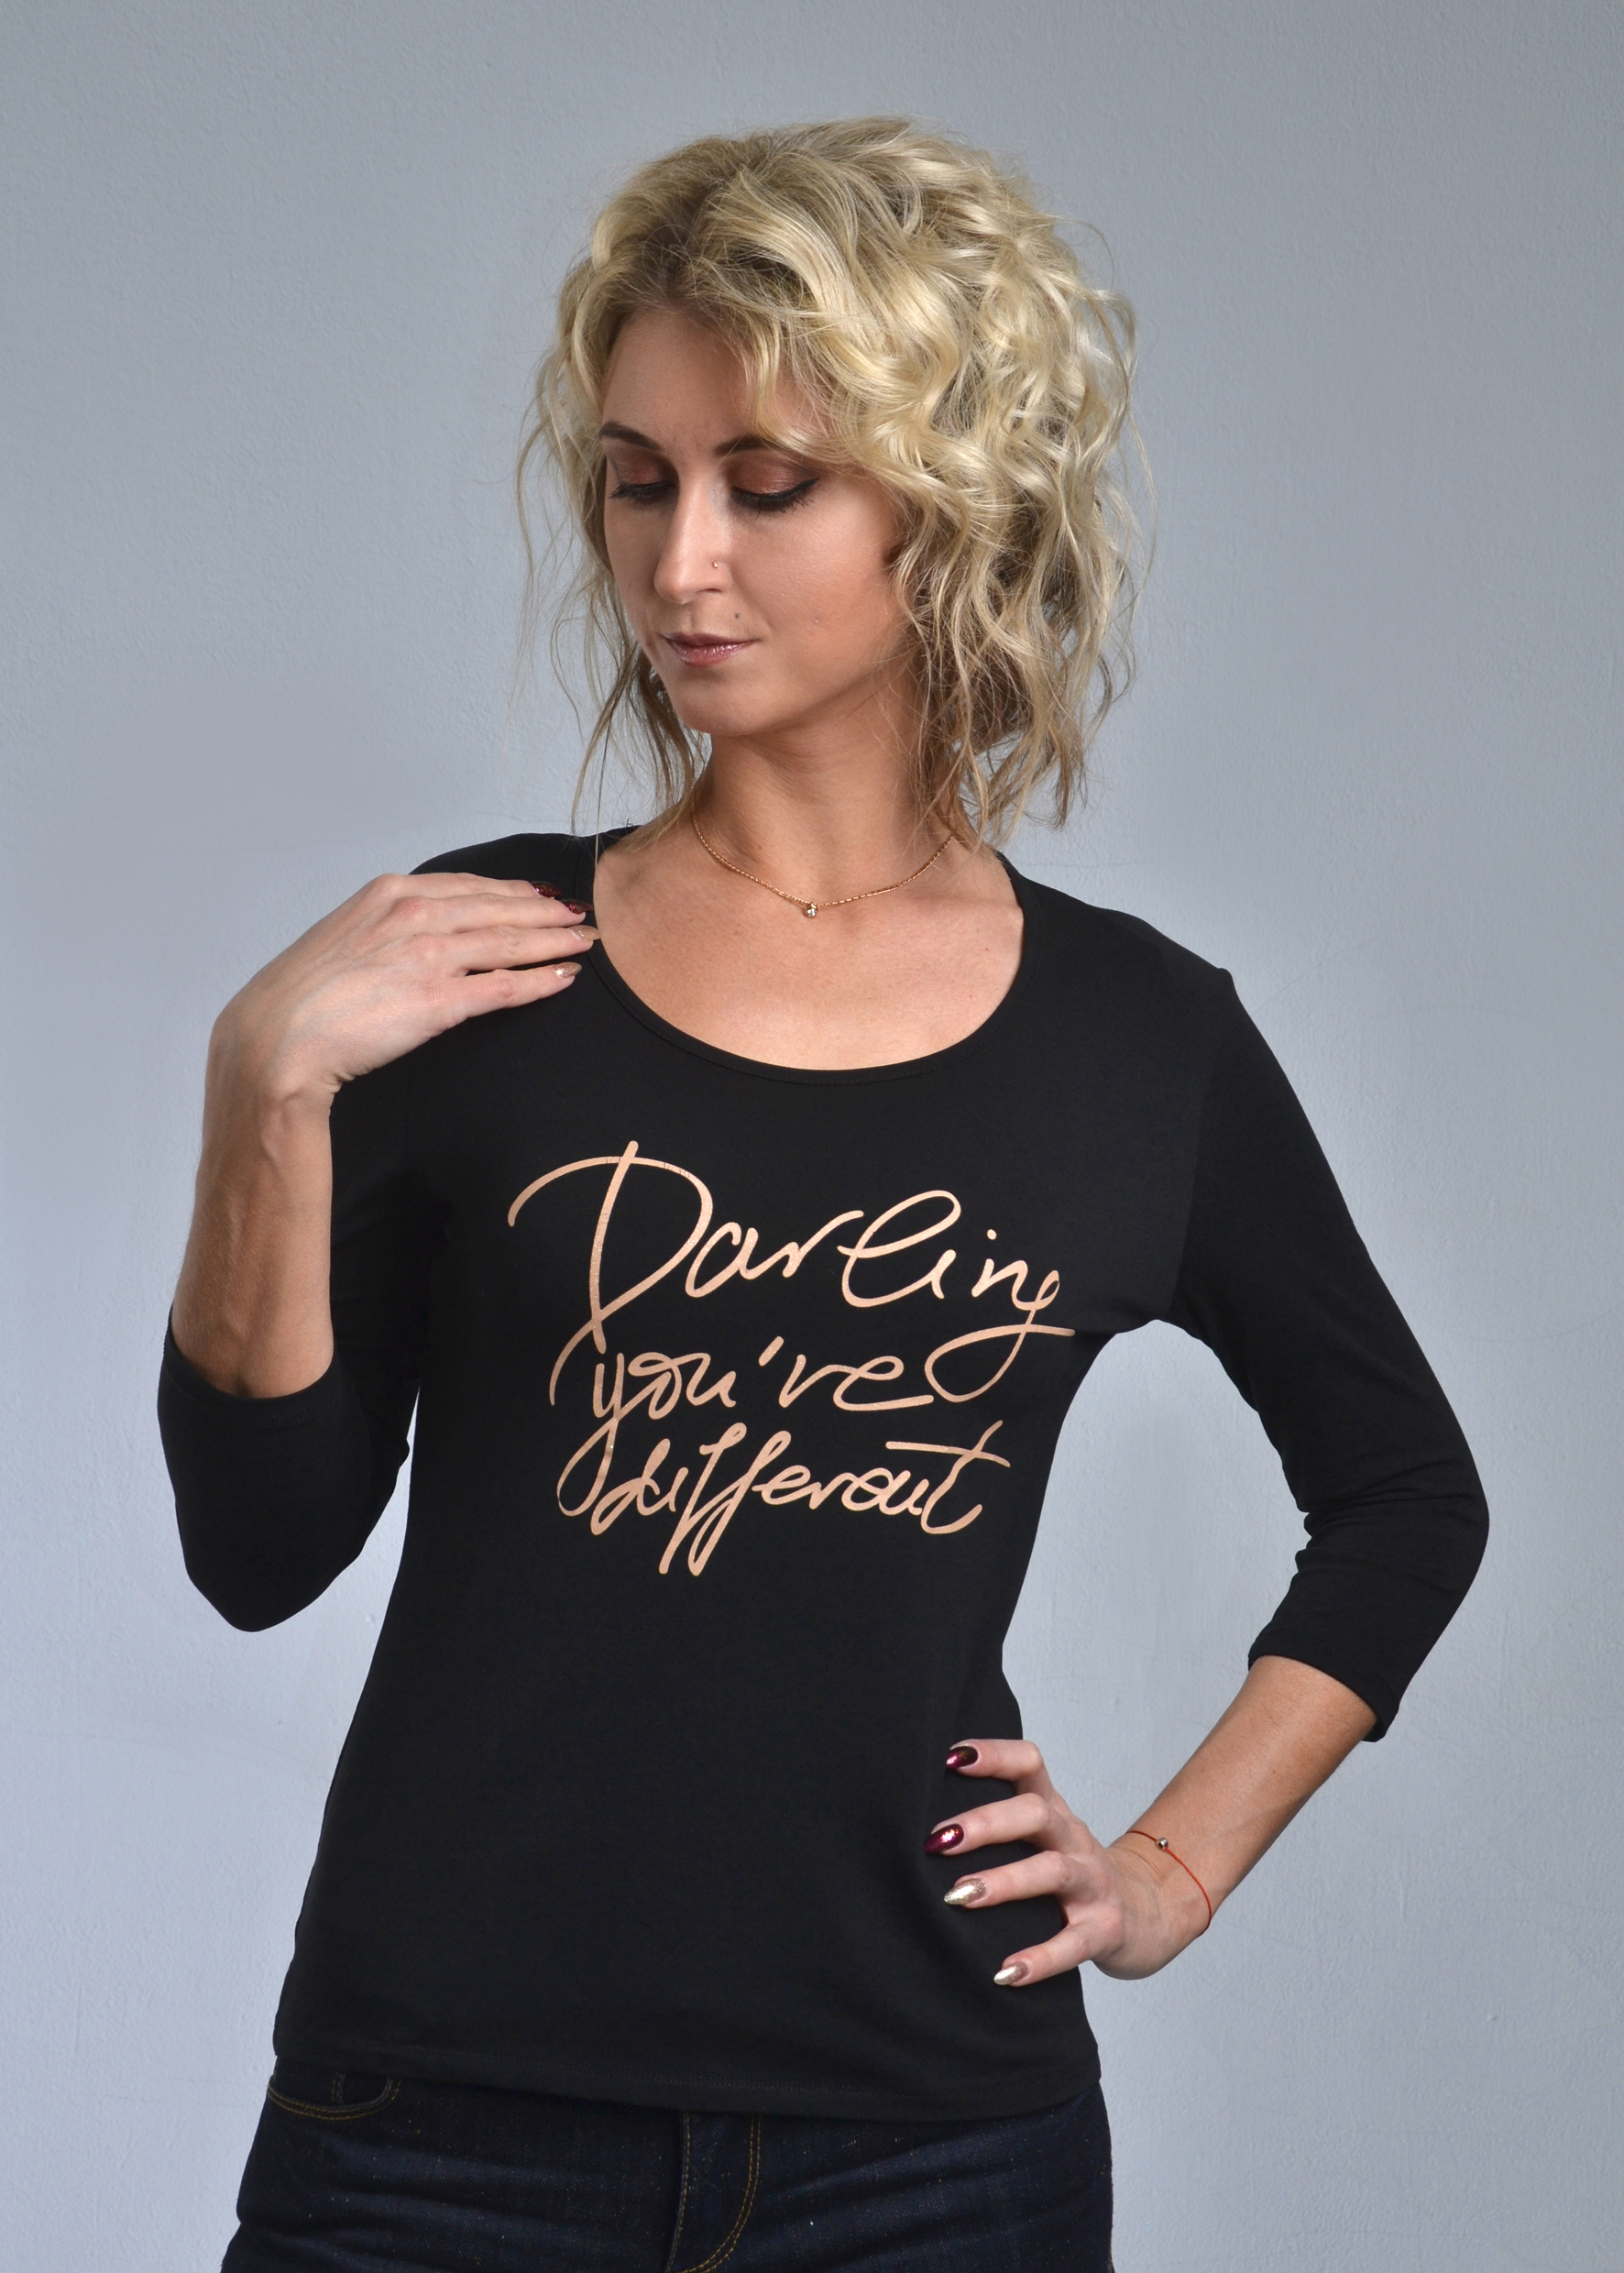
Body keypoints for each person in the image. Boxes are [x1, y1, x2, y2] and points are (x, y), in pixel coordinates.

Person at [159, 118, 1488, 2273]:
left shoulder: (1138, 1041)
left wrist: (1170, 1865)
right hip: (436, 2129)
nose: (679, 559)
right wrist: (261, 1090)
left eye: (766, 484)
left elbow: (1408, 1495)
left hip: (936, 2154)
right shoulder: (477, 961)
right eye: (636, 480)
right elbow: (257, 1548)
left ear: (948, 508)